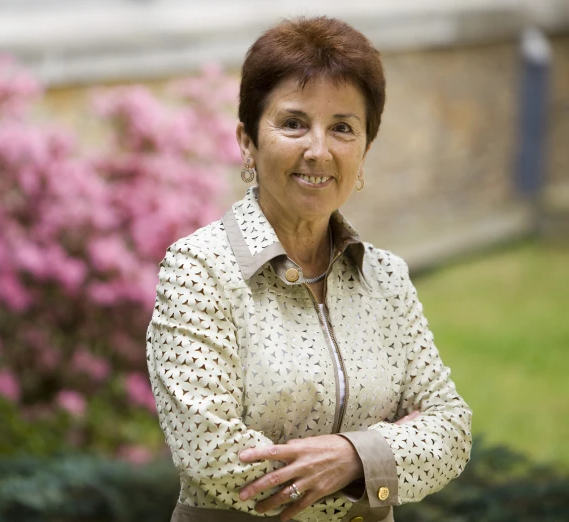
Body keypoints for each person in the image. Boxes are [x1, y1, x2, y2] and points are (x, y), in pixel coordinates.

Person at [146, 15, 472, 522]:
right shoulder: (199, 268)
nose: (318, 151)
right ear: (248, 141)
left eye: (342, 128)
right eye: (294, 123)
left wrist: (352, 457)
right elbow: (209, 454)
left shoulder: (385, 278)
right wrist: (380, 469)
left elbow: (450, 429)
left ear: (364, 150)